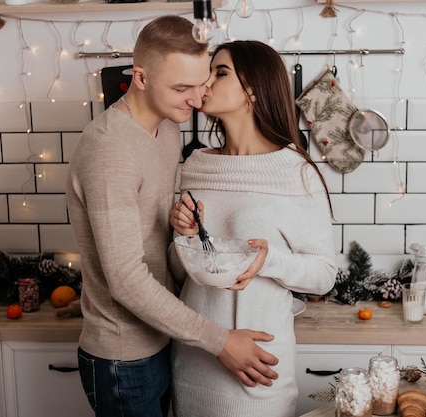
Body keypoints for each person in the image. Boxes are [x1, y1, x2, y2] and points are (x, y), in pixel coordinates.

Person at [66, 17, 279, 417]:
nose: (197, 100)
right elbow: (126, 281)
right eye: (182, 89)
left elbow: (149, 230)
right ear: (140, 78)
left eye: (201, 85)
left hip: (160, 341)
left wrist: (180, 221)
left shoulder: (166, 129)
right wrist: (221, 342)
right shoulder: (110, 151)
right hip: (122, 358)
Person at [168, 40, 337, 417]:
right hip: (194, 358)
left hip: (256, 367)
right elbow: (181, 274)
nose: (205, 81)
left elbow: (325, 275)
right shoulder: (195, 165)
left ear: (254, 90)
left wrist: (269, 261)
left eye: (220, 72)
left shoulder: (296, 172)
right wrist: (186, 235)